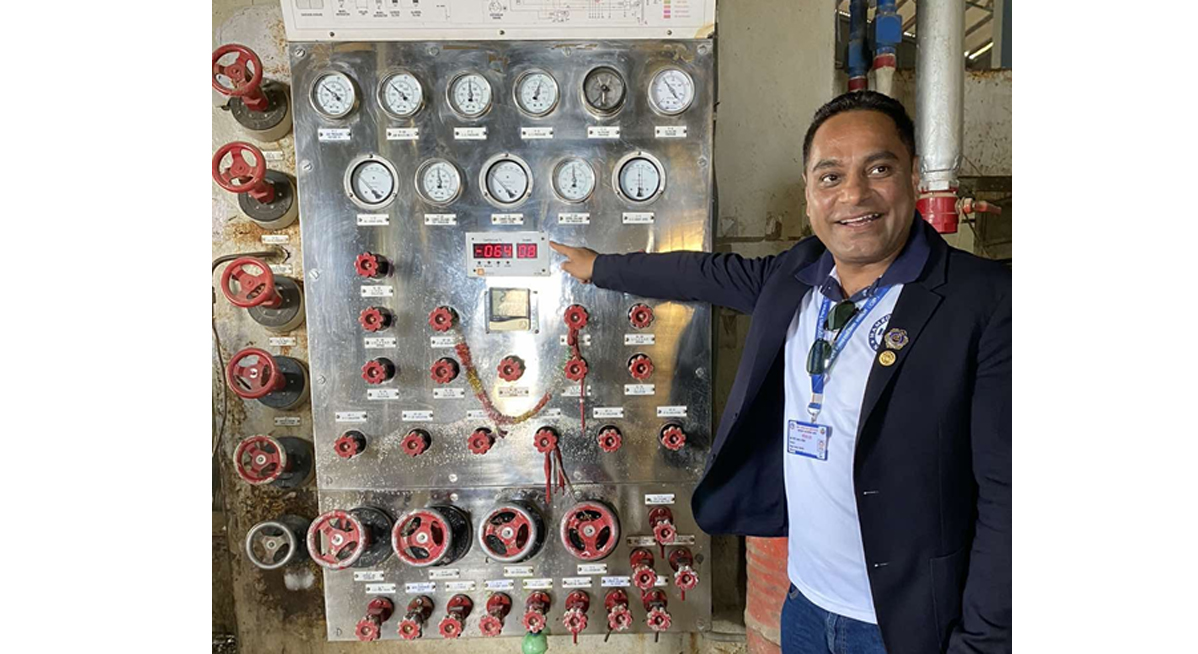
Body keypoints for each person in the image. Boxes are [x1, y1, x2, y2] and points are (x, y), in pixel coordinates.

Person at [550, 91, 1010, 654]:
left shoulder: (983, 302)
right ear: (808, 194)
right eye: (831, 177)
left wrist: (983, 642)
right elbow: (703, 274)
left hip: (905, 624)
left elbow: (1009, 498)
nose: (854, 195)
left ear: (914, 175)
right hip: (806, 606)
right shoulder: (798, 275)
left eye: (879, 169)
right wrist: (599, 268)